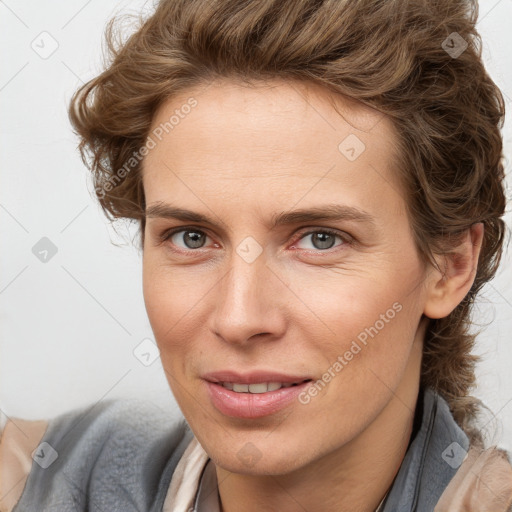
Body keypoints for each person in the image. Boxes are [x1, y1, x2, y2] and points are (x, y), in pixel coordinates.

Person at [1, 0, 512, 510]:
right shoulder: (37, 482)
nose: (238, 318)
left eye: (320, 239)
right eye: (191, 237)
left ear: (450, 264)